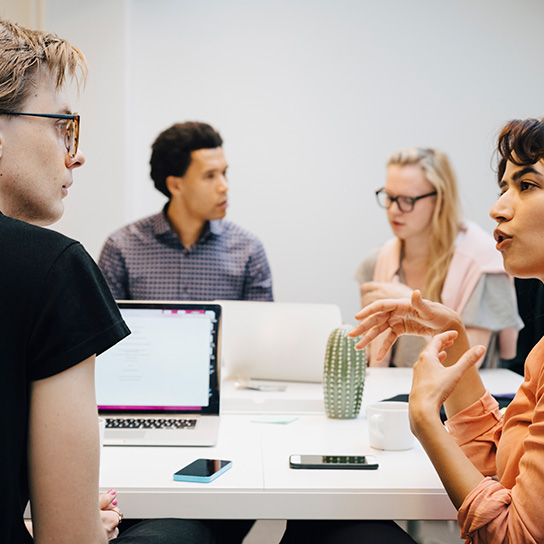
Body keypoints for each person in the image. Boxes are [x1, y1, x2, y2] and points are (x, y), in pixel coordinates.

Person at [0, 18, 217, 544]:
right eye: (61, 125)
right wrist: (68, 516)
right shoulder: (54, 267)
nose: (75, 153)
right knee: (187, 528)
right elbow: (69, 540)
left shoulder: (245, 245)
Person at [349, 117, 544, 542]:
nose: (498, 208)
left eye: (527, 185)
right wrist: (452, 330)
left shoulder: (479, 262)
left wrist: (424, 419)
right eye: (504, 188)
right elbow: (501, 466)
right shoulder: (541, 352)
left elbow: (515, 535)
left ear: (439, 199)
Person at [355, 147, 522, 368]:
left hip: (456, 399)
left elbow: (470, 359)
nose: (394, 210)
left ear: (439, 199)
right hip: (390, 396)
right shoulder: (377, 261)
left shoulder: (483, 263)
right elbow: (369, 354)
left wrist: (412, 304)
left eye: (407, 199)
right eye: (389, 197)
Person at [98, 121, 273, 302]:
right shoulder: (121, 248)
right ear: (175, 185)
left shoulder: (248, 250)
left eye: (224, 173)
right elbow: (104, 328)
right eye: (210, 176)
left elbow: (258, 328)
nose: (224, 186)